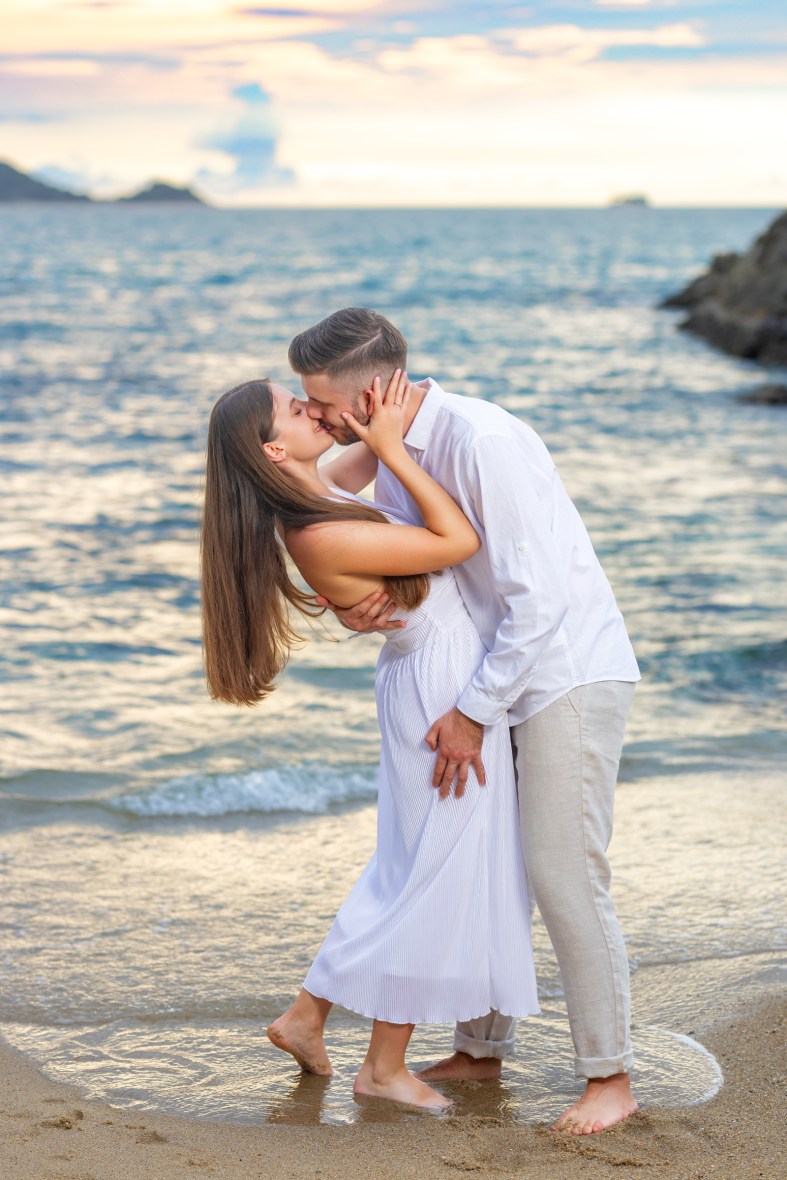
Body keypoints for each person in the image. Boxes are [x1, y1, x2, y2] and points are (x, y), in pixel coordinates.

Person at [286, 308, 641, 1135]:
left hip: (559, 675)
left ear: (371, 391)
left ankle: (610, 1077)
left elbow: (539, 601)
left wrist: (472, 713)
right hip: (486, 673)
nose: (320, 420)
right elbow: (312, 501)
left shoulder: (481, 439)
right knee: (493, 866)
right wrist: (343, 596)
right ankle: (480, 1048)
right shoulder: (390, 447)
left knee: (560, 871)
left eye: (324, 404)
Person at [200, 370, 539, 1111]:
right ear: (271, 448)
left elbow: (364, 441)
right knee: (430, 875)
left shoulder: (321, 495)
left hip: (429, 670)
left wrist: (390, 415)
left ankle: (305, 1017)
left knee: (406, 868)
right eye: (296, 408)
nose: (312, 410)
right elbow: (459, 539)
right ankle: (383, 1069)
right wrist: (397, 447)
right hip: (438, 687)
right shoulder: (320, 527)